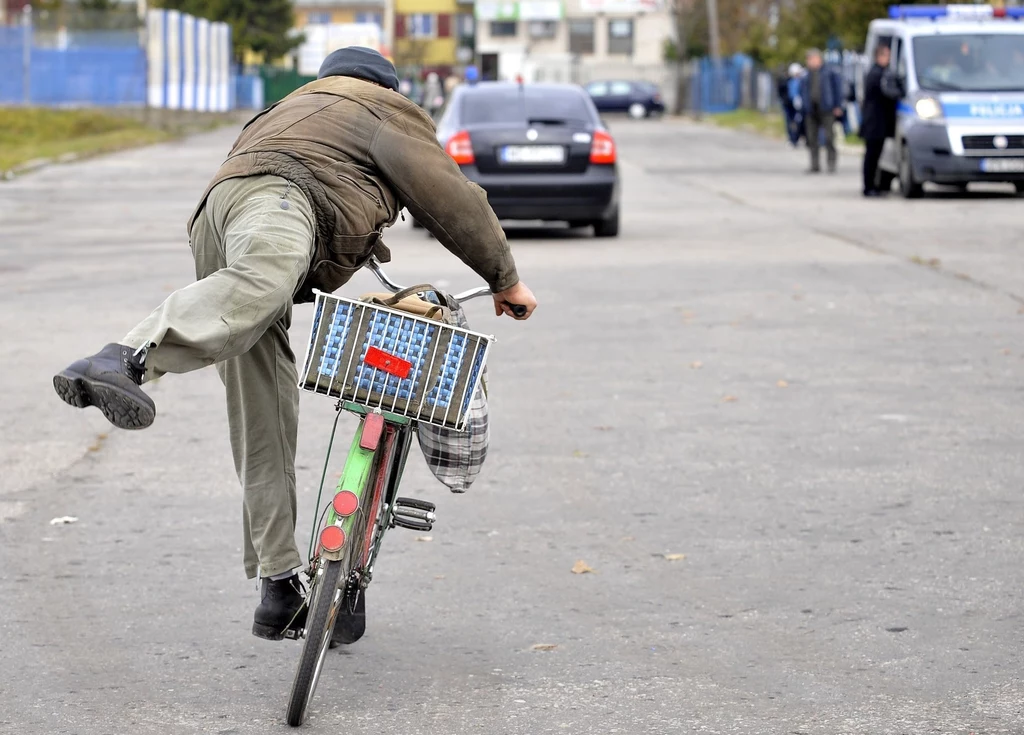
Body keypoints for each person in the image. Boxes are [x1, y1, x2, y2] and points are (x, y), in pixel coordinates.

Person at [51, 46, 537, 643]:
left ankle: (278, 586)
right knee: (260, 282)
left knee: (263, 413)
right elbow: (452, 197)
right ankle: (127, 358)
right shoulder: (379, 105)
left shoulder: (289, 107)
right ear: (385, 85)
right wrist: (504, 278)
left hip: (217, 218)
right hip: (280, 204)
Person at [860, 43, 898, 197]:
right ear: (880, 56)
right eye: (887, 55)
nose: (889, 59)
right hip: (874, 123)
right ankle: (869, 186)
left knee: (874, 156)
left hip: (876, 122)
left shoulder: (878, 72)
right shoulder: (877, 74)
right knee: (872, 156)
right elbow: (887, 95)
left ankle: (873, 185)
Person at [799, 48, 844, 173]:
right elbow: (802, 91)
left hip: (827, 108)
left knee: (829, 137)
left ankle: (831, 163)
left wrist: (837, 105)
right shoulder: (806, 74)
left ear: (818, 59)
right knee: (812, 139)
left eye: (811, 59)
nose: (809, 62)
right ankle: (815, 165)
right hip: (811, 109)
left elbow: (837, 89)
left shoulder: (829, 72)